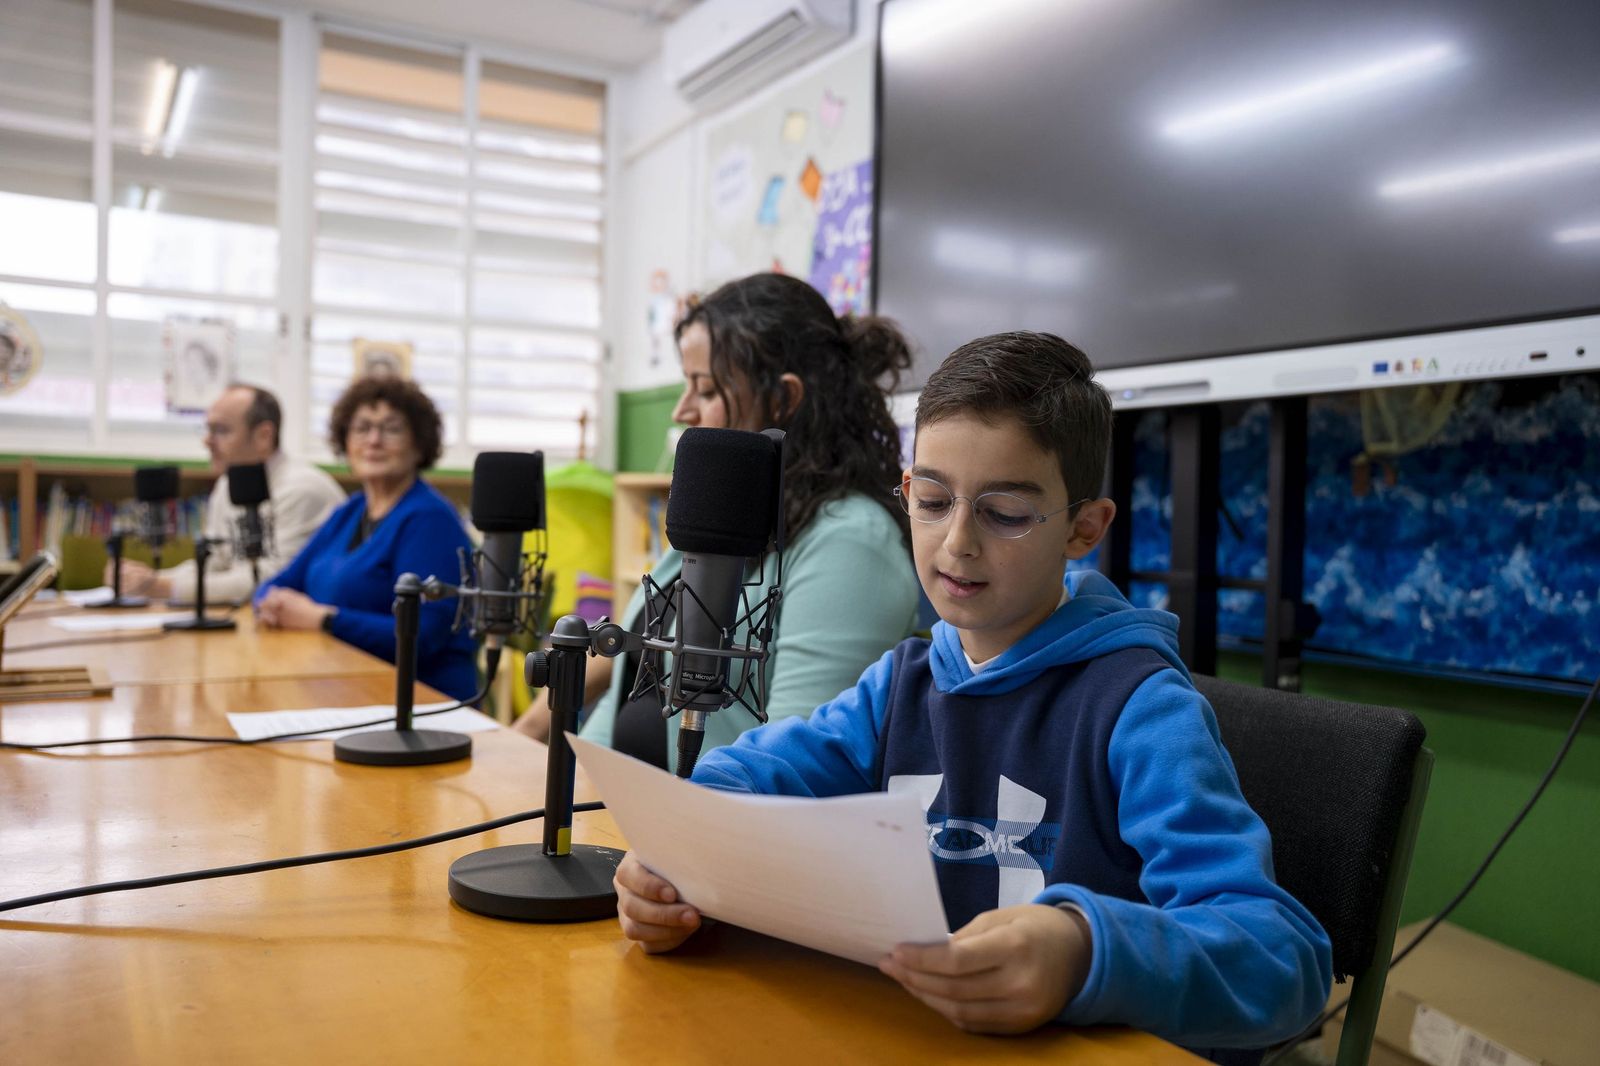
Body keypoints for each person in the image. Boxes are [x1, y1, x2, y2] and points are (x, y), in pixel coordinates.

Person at [612, 332, 1332, 1055]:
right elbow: (750, 774)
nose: (956, 542)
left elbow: (1283, 961)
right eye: (930, 499)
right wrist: (677, 852)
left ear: (1085, 527)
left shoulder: (1140, 709)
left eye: (1006, 513)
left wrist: (1085, 950)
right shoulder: (900, 685)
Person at [519, 273, 922, 771]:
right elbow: (626, 685)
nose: (681, 409)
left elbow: (792, 763)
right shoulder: (719, 517)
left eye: (704, 388)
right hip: (625, 814)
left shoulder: (851, 542)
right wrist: (577, 786)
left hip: (710, 832)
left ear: (783, 398)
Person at [255, 377, 479, 702]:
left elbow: (422, 636)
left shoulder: (431, 520)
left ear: (419, 444)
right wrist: (272, 603)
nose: (374, 440)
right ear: (345, 441)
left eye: (391, 429)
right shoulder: (349, 512)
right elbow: (277, 585)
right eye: (361, 428)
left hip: (422, 702)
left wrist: (323, 619)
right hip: (343, 685)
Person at [104, 384, 344, 605]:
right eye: (207, 429)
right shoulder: (228, 483)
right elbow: (216, 562)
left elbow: (268, 580)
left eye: (220, 430)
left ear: (264, 436)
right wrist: (144, 579)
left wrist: (164, 587)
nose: (206, 441)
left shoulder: (302, 489)